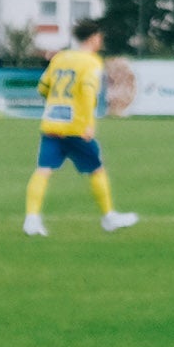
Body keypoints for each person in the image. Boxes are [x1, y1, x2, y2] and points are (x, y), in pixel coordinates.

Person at [23, 22, 139, 236]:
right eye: (100, 36)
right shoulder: (91, 62)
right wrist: (88, 124)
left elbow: (42, 87)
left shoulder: (60, 58)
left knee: (43, 170)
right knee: (96, 169)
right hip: (75, 127)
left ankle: (31, 219)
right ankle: (109, 217)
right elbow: (87, 92)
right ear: (94, 37)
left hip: (51, 123)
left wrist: (58, 102)